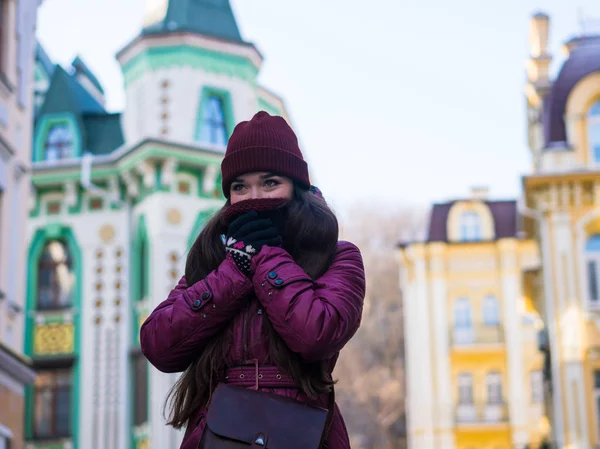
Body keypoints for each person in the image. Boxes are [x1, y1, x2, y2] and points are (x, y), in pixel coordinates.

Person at [140, 111, 366, 449]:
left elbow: (317, 333)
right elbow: (159, 344)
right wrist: (235, 270)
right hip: (218, 436)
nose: (254, 196)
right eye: (240, 187)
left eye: (270, 182)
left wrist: (266, 257)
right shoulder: (213, 259)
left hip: (304, 434)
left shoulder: (338, 256)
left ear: (296, 186)